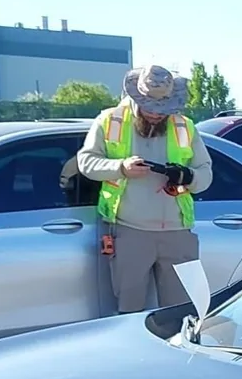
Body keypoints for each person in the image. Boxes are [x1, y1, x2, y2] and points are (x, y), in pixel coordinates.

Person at [76, 63, 214, 311]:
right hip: (130, 231)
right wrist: (121, 168)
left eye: (163, 109)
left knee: (181, 313)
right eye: (150, 107)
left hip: (177, 232)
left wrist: (187, 176)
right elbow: (86, 162)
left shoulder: (185, 126)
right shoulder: (109, 121)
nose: (156, 114)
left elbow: (206, 173)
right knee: (130, 309)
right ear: (136, 97)